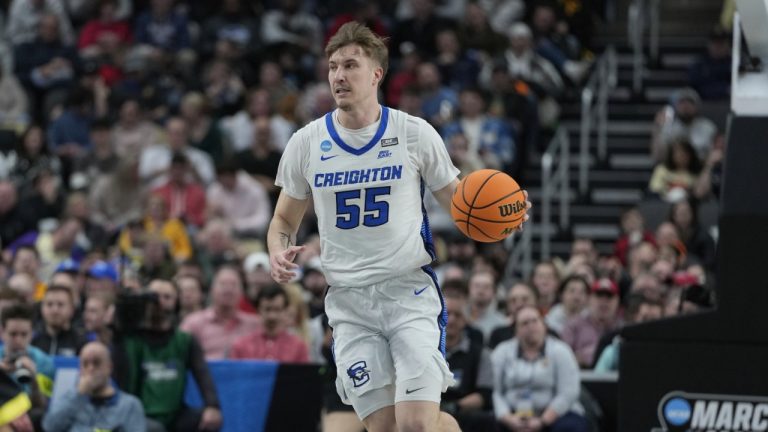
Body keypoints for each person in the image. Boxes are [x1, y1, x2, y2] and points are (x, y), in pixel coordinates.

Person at [267, 22, 529, 432]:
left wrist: (505, 216)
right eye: (333, 66)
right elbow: (284, 220)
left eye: (351, 65)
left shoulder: (413, 133)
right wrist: (278, 248)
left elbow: (462, 205)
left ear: (376, 74)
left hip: (408, 292)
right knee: (385, 427)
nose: (338, 75)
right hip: (349, 304)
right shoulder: (306, 142)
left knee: (415, 425)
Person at [492, 306, 588, 432]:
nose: (531, 326)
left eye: (535, 321)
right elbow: (495, 391)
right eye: (524, 323)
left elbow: (568, 392)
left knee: (571, 427)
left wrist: (543, 420)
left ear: (544, 325)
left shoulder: (561, 351)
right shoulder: (502, 352)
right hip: (512, 415)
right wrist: (508, 418)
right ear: (516, 330)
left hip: (555, 415)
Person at [41, 341, 146, 432]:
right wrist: (78, 394)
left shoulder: (130, 405)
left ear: (109, 367)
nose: (90, 369)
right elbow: (49, 427)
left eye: (97, 363)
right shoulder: (70, 399)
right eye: (85, 364)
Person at [229, 284, 309, 362]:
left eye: (277, 310)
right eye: (267, 309)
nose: (272, 316)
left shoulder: (299, 347)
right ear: (258, 310)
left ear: (285, 311)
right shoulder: (241, 346)